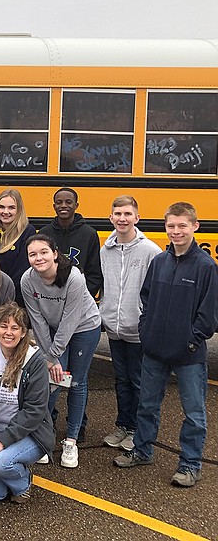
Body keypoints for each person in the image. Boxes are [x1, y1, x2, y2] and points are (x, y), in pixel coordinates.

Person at [114, 202, 218, 488]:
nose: (176, 231)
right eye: (171, 225)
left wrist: (192, 342)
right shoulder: (160, 261)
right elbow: (146, 298)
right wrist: (146, 331)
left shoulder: (206, 266)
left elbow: (208, 315)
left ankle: (189, 464)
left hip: (188, 356)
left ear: (195, 226)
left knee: (194, 413)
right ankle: (142, 450)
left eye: (182, 225)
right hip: (154, 351)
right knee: (147, 405)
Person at [20, 234, 101, 469]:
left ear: (55, 253)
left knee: (76, 381)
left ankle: (71, 440)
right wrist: (49, 357)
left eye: (43, 252)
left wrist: (54, 354)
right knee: (51, 382)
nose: (38, 258)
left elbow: (70, 319)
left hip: (84, 327)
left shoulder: (74, 278)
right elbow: (37, 321)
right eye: (32, 254)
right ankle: (43, 439)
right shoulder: (27, 280)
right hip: (54, 330)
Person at [0, 302, 55, 503]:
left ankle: (23, 482)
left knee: (0, 464)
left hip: (28, 433)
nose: (8, 332)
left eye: (15, 327)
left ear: (23, 332)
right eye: (3, 326)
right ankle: (8, 469)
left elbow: (35, 410)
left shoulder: (34, 361)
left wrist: (2, 442)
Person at [99, 196, 161, 452]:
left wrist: (146, 320)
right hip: (114, 328)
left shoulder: (151, 251)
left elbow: (155, 292)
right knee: (121, 380)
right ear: (111, 218)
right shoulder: (106, 249)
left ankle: (138, 431)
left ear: (137, 217)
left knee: (139, 382)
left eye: (127, 214)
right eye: (117, 214)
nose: (122, 219)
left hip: (138, 330)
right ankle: (123, 425)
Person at [39, 187, 103, 299]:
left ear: (76, 206)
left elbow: (95, 273)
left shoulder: (89, 234)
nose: (63, 205)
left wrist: (82, 297)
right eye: (59, 202)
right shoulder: (44, 234)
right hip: (50, 299)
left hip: (80, 298)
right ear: (54, 206)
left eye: (69, 202)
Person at [0, 188, 35, 306]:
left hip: (14, 296)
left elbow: (22, 268)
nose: (5, 211)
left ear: (19, 210)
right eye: (1, 207)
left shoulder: (27, 232)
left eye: (11, 207)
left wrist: (4, 290)